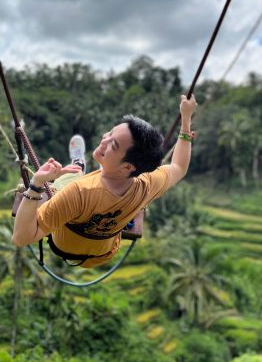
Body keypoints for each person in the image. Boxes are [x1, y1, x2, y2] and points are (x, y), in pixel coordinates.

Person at [12, 94, 197, 268]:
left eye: (113, 145)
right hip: (103, 254)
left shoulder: (78, 192)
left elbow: (21, 238)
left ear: (128, 167)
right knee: (97, 184)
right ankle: (103, 167)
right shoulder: (146, 185)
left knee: (64, 181)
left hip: (62, 245)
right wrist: (186, 120)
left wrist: (36, 184)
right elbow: (179, 167)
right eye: (109, 133)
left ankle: (77, 166)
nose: (104, 141)